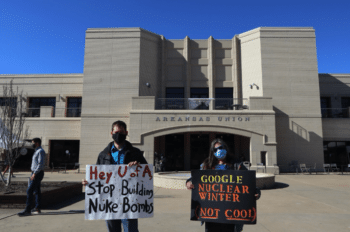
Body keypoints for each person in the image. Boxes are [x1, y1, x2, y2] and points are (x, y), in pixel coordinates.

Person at [82, 120, 147, 232]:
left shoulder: (135, 153)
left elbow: (147, 174)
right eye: (116, 132)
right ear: (111, 133)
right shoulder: (103, 155)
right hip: (109, 200)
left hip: (129, 200)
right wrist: (89, 182)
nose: (118, 135)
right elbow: (98, 175)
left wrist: (139, 166)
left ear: (126, 133)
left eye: (121, 132)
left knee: (130, 230)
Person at [186, 138, 261, 232]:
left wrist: (256, 192)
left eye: (221, 148)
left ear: (226, 148)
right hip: (212, 214)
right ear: (212, 152)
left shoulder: (237, 165)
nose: (219, 151)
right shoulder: (206, 165)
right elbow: (196, 179)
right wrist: (188, 182)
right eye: (215, 149)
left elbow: (249, 183)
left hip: (232, 215)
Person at [18, 138, 46, 216]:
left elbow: (40, 164)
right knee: (37, 191)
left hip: (37, 173)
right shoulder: (37, 151)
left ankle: (27, 210)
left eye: (32, 143)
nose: (31, 144)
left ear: (37, 143)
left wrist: (35, 173)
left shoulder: (40, 151)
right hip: (35, 173)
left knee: (29, 190)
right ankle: (37, 207)